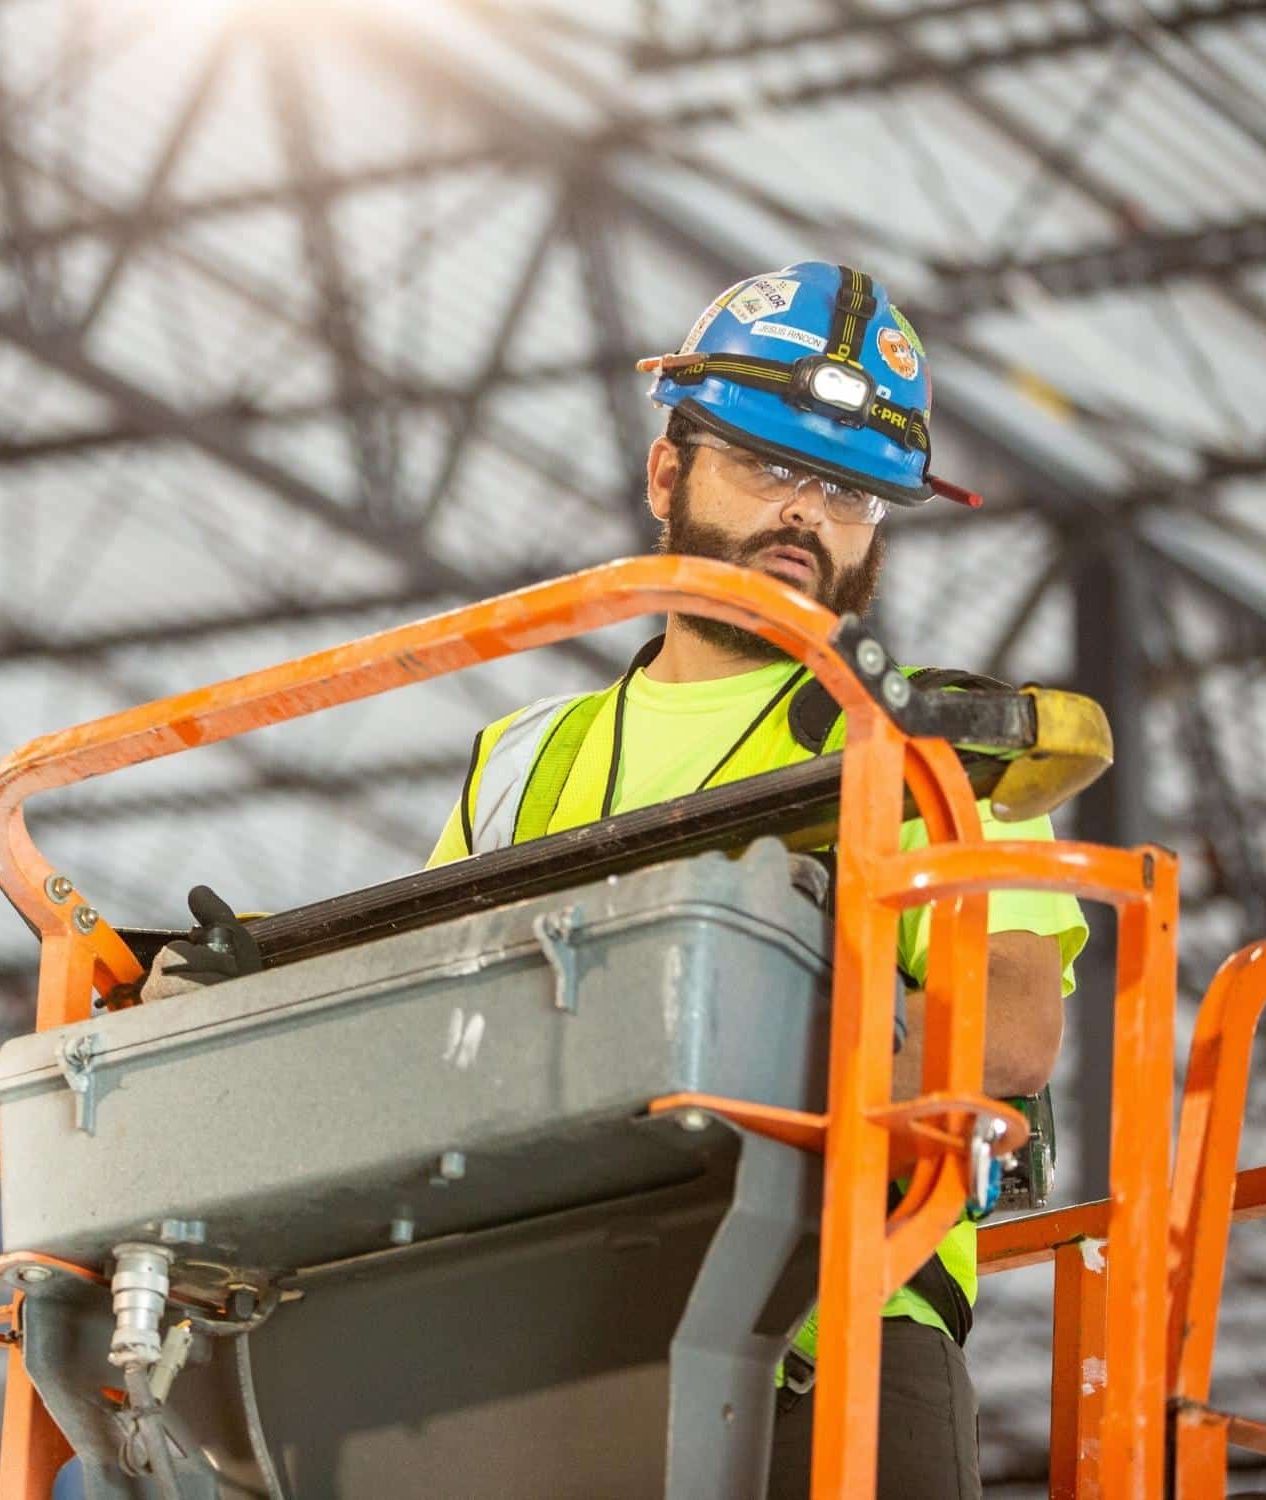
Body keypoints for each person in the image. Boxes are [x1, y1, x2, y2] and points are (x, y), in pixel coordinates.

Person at [421, 261, 1089, 1500]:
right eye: (768, 464)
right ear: (668, 473)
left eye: (847, 492)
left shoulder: (922, 737)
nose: (806, 514)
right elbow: (412, 1023)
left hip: (830, 1340)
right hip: (537, 1352)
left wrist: (704, 1085)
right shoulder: (524, 762)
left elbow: (1006, 1024)